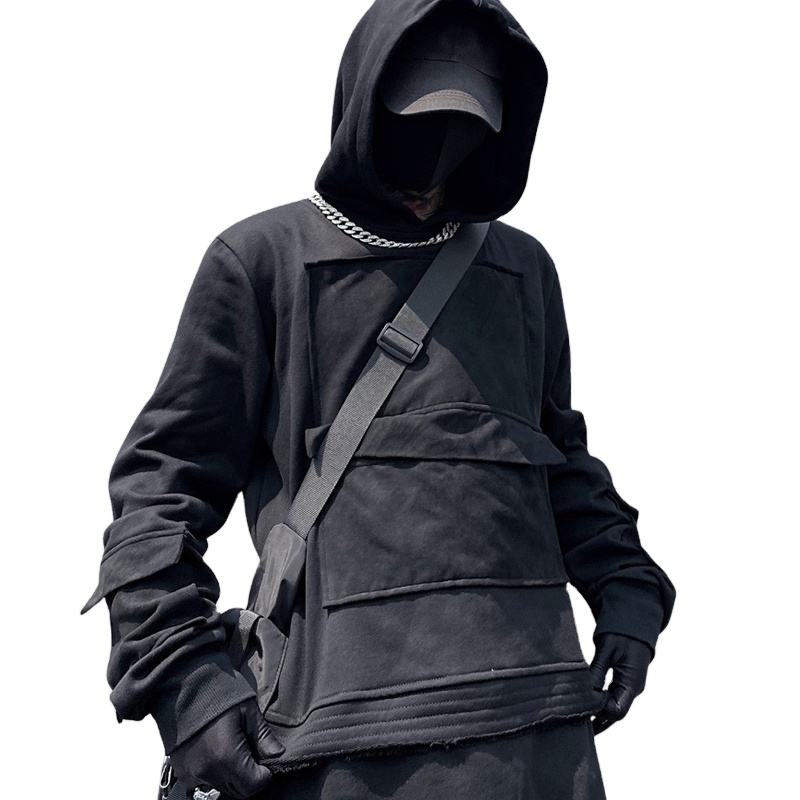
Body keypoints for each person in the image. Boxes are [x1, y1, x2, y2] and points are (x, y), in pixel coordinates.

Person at [82, 1, 676, 798]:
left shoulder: (523, 271)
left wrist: (627, 591)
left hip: (539, 732)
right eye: (418, 122)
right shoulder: (260, 262)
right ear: (363, 102)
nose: (438, 156)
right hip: (340, 747)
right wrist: (190, 689)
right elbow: (159, 494)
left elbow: (554, 459)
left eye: (467, 129)